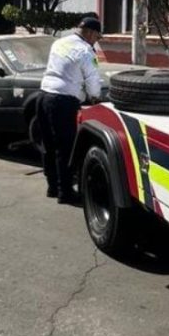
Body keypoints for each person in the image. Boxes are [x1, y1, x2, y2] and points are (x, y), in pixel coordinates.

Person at [38, 17, 104, 204]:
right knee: (65, 148)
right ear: (90, 32)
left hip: (43, 96)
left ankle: (52, 187)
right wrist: (95, 97)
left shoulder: (59, 43)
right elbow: (93, 82)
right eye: (97, 37)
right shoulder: (85, 51)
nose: (96, 41)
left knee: (49, 145)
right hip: (63, 101)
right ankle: (65, 192)